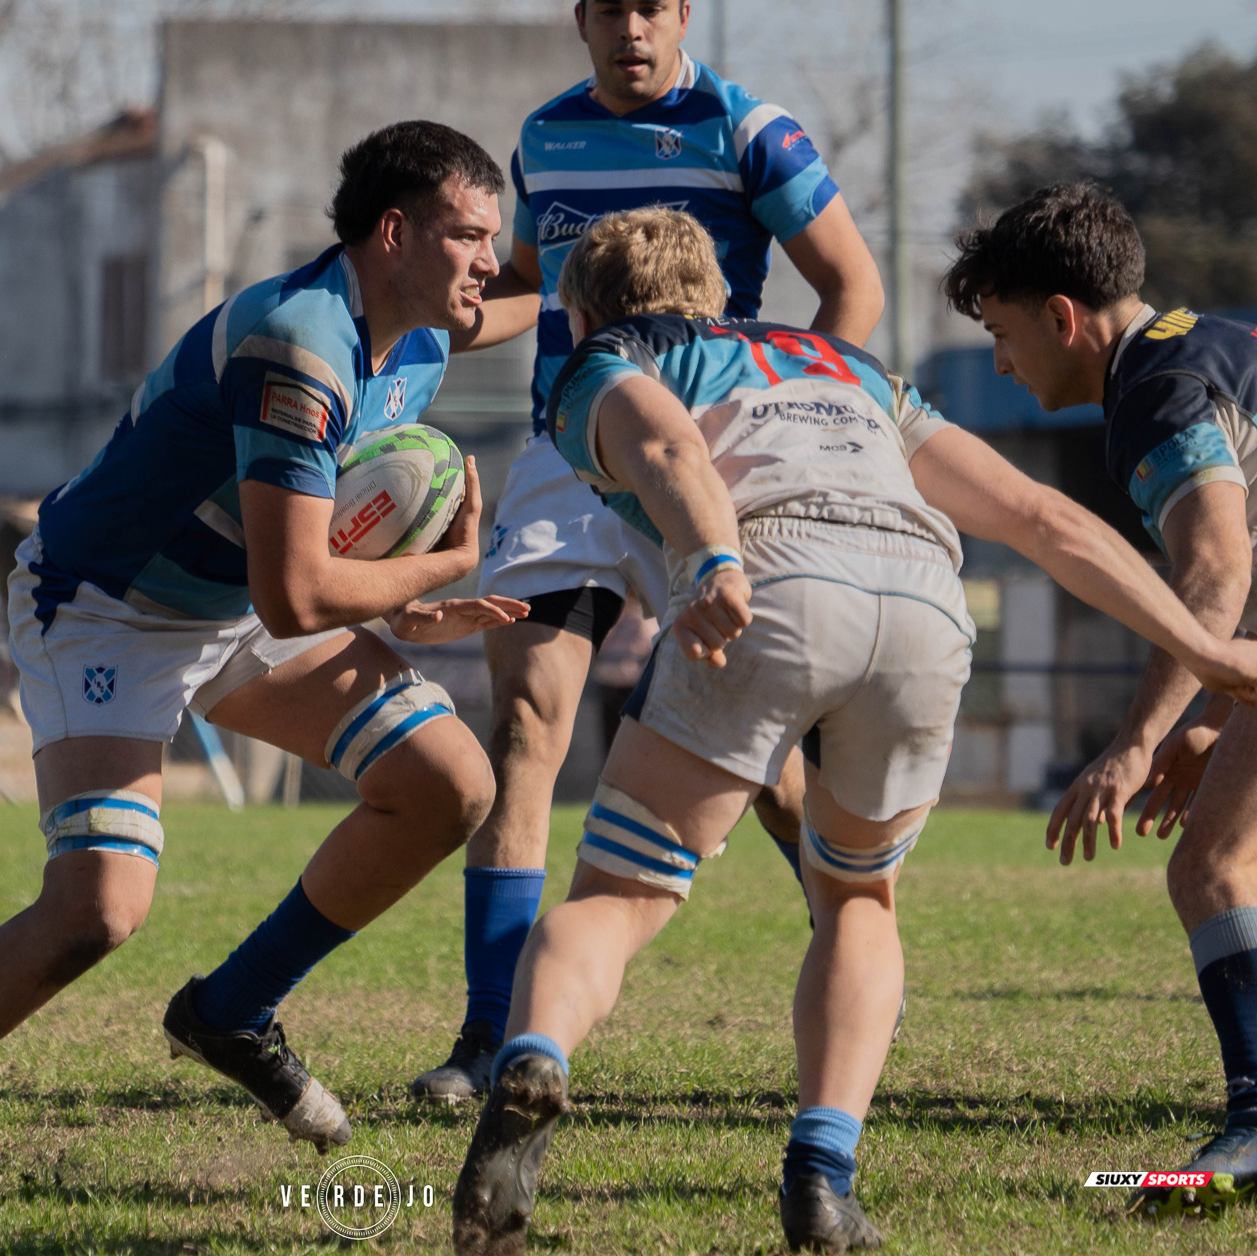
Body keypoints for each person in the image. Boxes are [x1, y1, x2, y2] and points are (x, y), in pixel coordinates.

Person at [449, 207, 1257, 1254]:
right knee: (860, 895)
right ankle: (822, 1177)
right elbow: (1042, 519)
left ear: (582, 309)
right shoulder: (849, 363)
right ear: (720, 298)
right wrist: (1204, 654)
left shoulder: (612, 355)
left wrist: (711, 560)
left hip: (769, 582)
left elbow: (663, 442)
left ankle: (538, 1053)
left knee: (623, 892)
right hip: (924, 602)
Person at [0, 121, 537, 1186]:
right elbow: (299, 590)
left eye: (496, 237)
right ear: (396, 232)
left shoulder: (417, 320)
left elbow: (529, 296)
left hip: (233, 603)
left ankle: (232, 1010)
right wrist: (437, 568)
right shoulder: (300, 345)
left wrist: (628, 249)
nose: (488, 261)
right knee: (97, 910)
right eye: (470, 235)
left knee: (448, 784)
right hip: (108, 607)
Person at [410, 0, 888, 1102]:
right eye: (611, 6)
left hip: (708, 461)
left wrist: (792, 414)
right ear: (580, 18)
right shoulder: (543, 135)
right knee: (526, 724)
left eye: (654, 5)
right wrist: (420, 309)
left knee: (761, 759)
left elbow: (851, 286)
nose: (633, 25)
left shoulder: (751, 129)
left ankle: (855, 935)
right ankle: (490, 1032)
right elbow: (527, 285)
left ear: (682, 14)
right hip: (569, 447)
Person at [948, 183, 1257, 1218]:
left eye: (1000, 333)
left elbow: (1212, 576)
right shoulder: (1209, 340)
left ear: (1062, 316)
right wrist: (1213, 712)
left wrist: (1135, 741)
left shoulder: (1155, 391)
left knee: (1214, 863)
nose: (1000, 361)